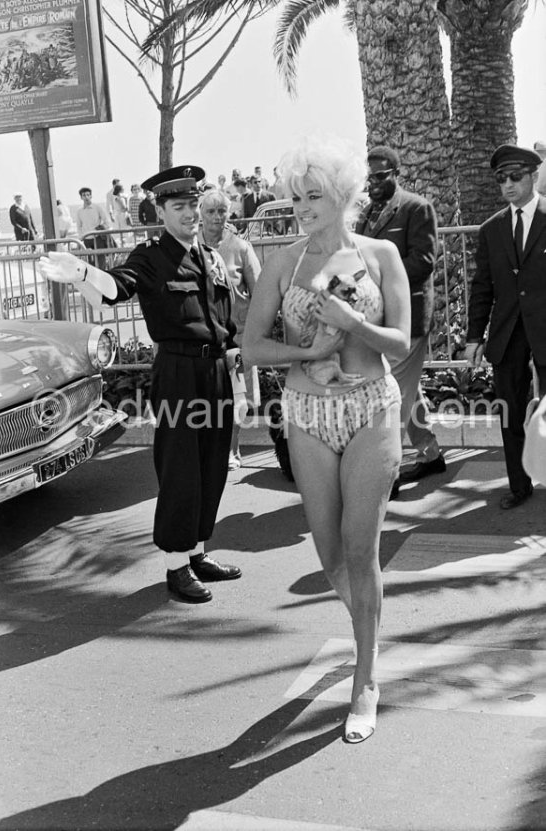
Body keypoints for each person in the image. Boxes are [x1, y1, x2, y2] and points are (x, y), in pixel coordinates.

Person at [243, 136, 410, 742]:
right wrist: (308, 349)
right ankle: (367, 623)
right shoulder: (284, 261)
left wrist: (353, 323)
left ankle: (365, 676)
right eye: (296, 196)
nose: (303, 206)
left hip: (370, 409)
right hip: (306, 412)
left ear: (343, 196)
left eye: (314, 195)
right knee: (330, 556)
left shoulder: (382, 254)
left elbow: (402, 342)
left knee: (361, 552)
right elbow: (252, 344)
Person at [40, 166, 242, 604]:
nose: (190, 213)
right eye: (179, 206)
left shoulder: (209, 256)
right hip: (178, 374)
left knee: (212, 466)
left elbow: (225, 325)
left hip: (215, 375)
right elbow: (117, 288)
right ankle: (175, 564)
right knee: (181, 471)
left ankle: (197, 551)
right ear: (160, 209)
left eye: (193, 204)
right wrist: (81, 274)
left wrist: (238, 384)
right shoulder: (152, 256)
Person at [355, 145, 445, 498]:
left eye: (381, 176)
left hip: (408, 321)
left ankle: (385, 476)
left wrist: (375, 278)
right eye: (369, 177)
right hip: (377, 322)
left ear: (396, 173)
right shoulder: (364, 215)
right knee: (407, 392)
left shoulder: (416, 208)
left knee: (391, 397)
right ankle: (431, 453)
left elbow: (423, 262)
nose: (373, 183)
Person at [464, 143, 546, 509]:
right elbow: (482, 287)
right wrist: (473, 337)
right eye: (501, 178)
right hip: (508, 331)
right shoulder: (491, 229)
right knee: (510, 410)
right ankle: (520, 485)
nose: (508, 184)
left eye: (515, 176)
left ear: (534, 176)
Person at [199, 189, 262, 469]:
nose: (216, 217)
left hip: (236, 338)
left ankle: (232, 451)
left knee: (237, 395)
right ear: (200, 213)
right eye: (210, 211)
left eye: (221, 211)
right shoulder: (189, 245)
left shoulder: (241, 247)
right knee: (205, 398)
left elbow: (260, 293)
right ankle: (207, 450)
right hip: (201, 339)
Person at [76, 187, 112, 269]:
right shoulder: (79, 211)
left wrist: (101, 228)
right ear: (81, 197)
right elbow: (78, 226)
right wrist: (81, 237)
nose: (86, 197)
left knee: (101, 262)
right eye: (84, 195)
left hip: (98, 238)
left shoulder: (97, 207)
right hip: (86, 239)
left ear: (91, 196)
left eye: (88, 195)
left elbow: (107, 221)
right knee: (90, 262)